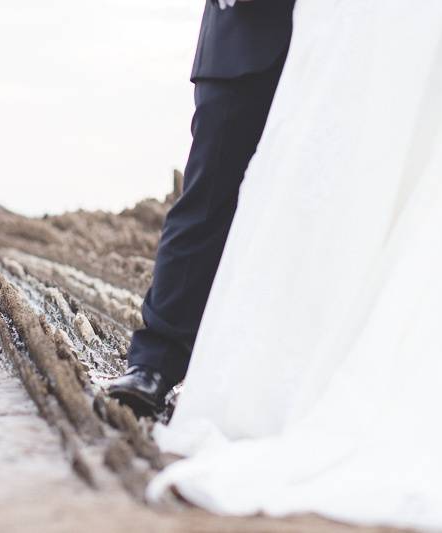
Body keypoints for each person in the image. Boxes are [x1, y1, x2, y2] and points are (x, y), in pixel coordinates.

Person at [140, 0, 442, 530]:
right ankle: (172, 363)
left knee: (414, 192)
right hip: (286, 31)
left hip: (399, 29)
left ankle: (384, 387)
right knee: (270, 199)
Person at [107, 0, 295, 414]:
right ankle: (154, 364)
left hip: (344, 55)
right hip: (245, 39)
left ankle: (289, 374)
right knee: (205, 204)